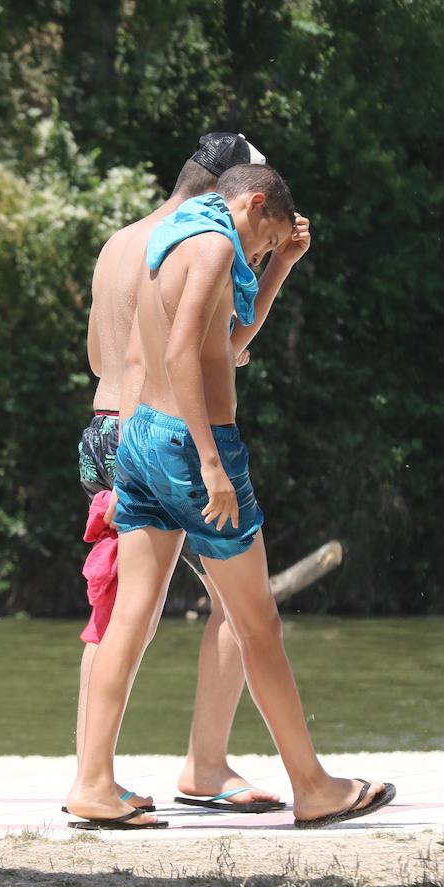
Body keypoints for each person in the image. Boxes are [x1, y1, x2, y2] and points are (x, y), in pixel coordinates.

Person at [66, 164, 396, 829]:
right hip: (195, 449)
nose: (263, 253)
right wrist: (212, 465)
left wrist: (282, 267)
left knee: (132, 614)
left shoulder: (171, 241)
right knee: (257, 624)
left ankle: (94, 785)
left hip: (142, 439)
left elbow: (225, 346)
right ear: (252, 203)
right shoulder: (216, 247)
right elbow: (186, 355)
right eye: (268, 239)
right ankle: (313, 786)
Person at [75, 133, 287, 813]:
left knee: (114, 610)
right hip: (152, 430)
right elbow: (160, 359)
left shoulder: (119, 240)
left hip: (100, 425)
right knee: (233, 605)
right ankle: (206, 764)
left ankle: (92, 775)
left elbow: (96, 353)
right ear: (232, 189)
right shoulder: (193, 241)